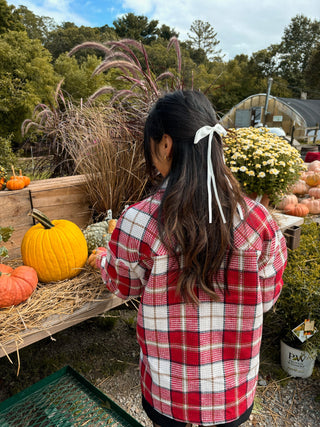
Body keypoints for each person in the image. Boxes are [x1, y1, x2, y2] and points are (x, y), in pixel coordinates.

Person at [88, 90, 287, 427]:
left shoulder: (138, 220)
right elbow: (266, 298)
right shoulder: (259, 221)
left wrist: (104, 260)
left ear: (165, 144)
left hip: (168, 396)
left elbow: (121, 286)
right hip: (233, 395)